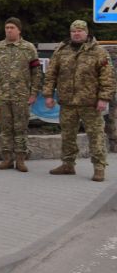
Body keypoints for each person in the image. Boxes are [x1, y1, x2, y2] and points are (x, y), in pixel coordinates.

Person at [43, 20, 115, 182]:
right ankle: (68, 164)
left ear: (86, 33)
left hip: (90, 103)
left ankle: (99, 168)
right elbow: (51, 74)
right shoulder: (61, 51)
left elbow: (107, 78)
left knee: (96, 136)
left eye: (80, 31)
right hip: (68, 102)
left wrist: (104, 98)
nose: (76, 33)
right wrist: (48, 95)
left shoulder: (98, 52)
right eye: (73, 31)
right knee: (67, 135)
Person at [0, 17, 42, 172]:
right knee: (5, 129)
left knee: (21, 128)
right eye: (7, 27)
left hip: (21, 96)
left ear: (19, 30)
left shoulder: (28, 48)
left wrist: (33, 93)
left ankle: (20, 160)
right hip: (3, 95)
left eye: (12, 27)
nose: (9, 30)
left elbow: (36, 73)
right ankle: (6, 159)